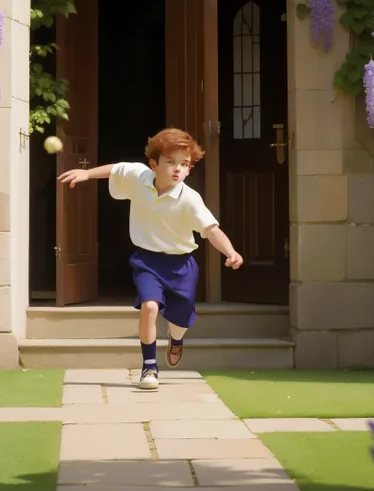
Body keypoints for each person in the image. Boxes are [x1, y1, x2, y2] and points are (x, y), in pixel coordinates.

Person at [57, 127, 243, 390]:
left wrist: (231, 252)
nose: (178, 169)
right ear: (154, 164)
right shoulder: (139, 176)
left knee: (179, 322)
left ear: (190, 169)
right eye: (171, 162)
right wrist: (87, 173)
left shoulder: (190, 199)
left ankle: (176, 340)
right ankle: (149, 368)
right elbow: (115, 169)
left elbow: (212, 230)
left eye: (184, 164)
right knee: (150, 307)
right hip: (148, 260)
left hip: (181, 265)